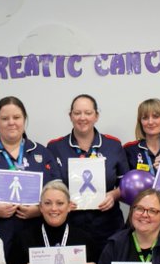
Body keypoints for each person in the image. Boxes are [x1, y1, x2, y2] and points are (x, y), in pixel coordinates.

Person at [0, 96, 58, 247]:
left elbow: (58, 193)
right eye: (5, 118)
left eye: (16, 117)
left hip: (36, 232)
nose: (11, 122)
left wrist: (39, 210)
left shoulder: (42, 152)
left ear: (24, 119)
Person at [47, 94, 129, 245]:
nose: (82, 117)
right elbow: (50, 186)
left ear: (96, 116)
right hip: (70, 226)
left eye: (88, 113)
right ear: (70, 116)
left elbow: (125, 184)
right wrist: (62, 200)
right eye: (77, 113)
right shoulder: (55, 147)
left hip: (108, 224)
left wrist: (114, 195)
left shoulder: (113, 145)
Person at [124, 98, 160, 173]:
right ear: (140, 122)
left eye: (155, 116)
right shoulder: (129, 150)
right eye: (145, 118)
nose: (150, 122)